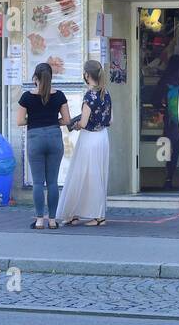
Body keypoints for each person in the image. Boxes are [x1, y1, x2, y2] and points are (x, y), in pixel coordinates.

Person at [16, 62, 72, 230]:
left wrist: (33, 120)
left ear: (35, 78)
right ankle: (53, 221)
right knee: (53, 182)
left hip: (35, 137)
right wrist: (54, 121)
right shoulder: (59, 95)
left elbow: (19, 121)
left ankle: (40, 220)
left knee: (39, 182)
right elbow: (67, 120)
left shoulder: (26, 97)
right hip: (54, 136)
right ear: (51, 77)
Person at [57, 60, 112, 227]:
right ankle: (97, 213)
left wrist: (74, 124)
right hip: (102, 136)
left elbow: (83, 121)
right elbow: (111, 119)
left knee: (81, 174)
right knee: (98, 175)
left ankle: (83, 214)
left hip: (89, 138)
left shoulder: (90, 95)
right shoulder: (106, 93)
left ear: (87, 75)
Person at [155, 54, 179, 191]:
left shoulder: (165, 81)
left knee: (169, 152)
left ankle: (168, 179)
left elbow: (154, 100)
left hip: (169, 123)